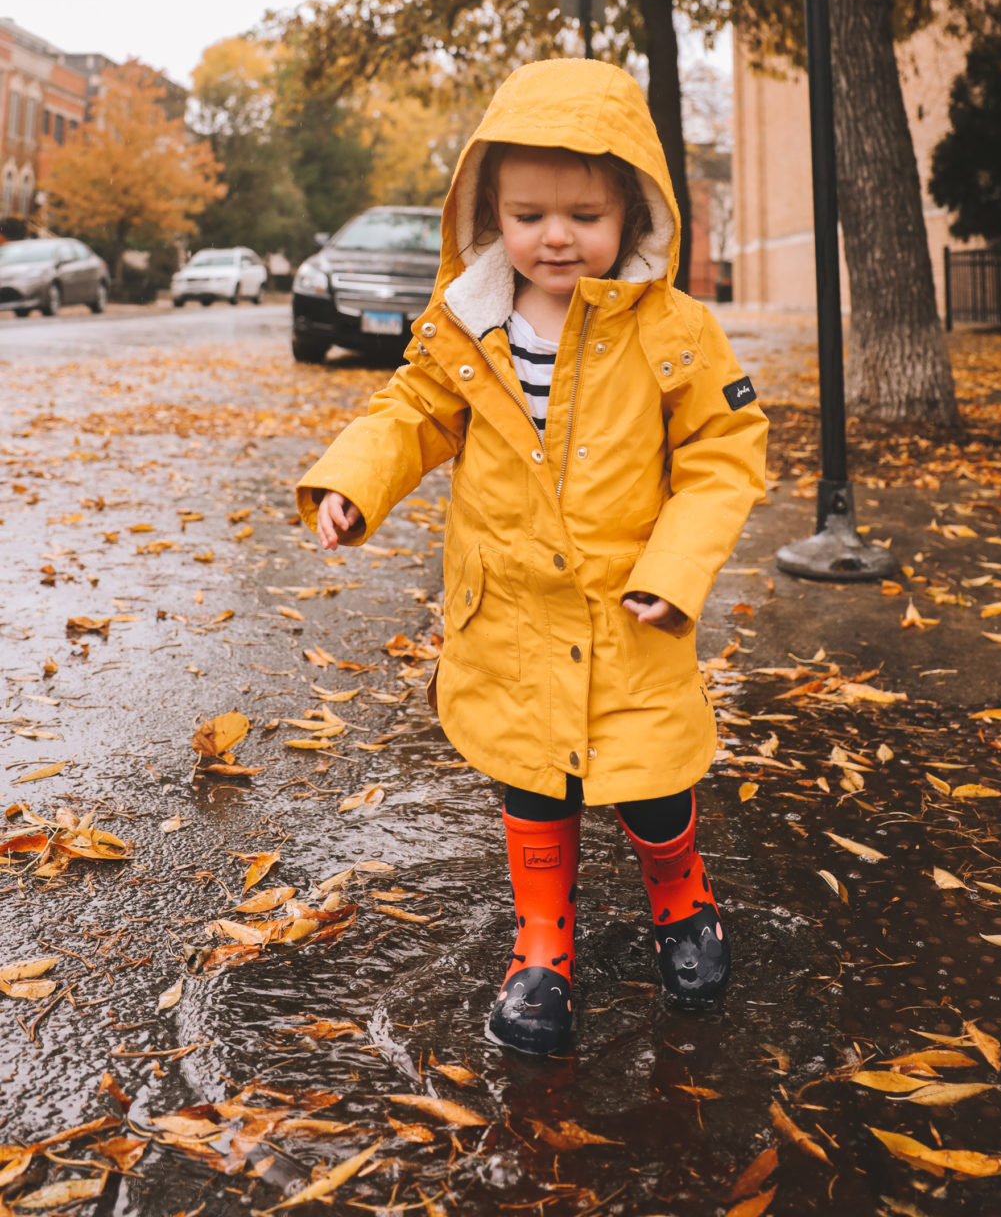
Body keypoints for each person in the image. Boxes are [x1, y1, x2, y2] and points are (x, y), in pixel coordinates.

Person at [296, 59, 768, 1056]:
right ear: (488, 214)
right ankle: (542, 942)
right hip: (508, 606)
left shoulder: (674, 334)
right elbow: (411, 412)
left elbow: (724, 458)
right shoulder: (469, 325)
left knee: (650, 772)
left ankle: (682, 903)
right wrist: (353, 482)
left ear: (633, 212)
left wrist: (674, 571)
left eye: (584, 215)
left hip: (630, 608)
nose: (556, 236)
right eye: (528, 214)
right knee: (528, 774)